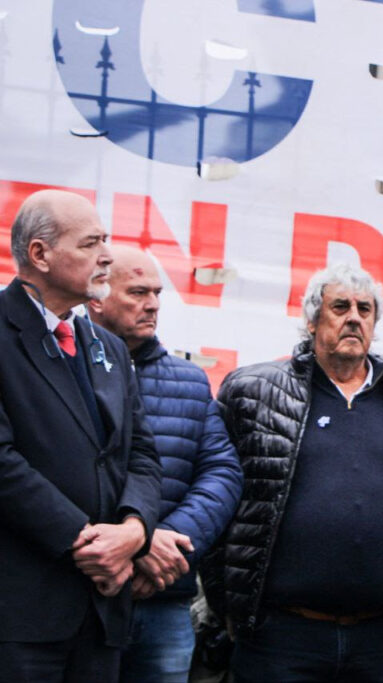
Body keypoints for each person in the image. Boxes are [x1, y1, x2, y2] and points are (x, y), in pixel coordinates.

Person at [210, 262, 383, 682]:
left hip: (375, 639)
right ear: (312, 320)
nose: (354, 317)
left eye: (365, 310)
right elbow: (219, 501)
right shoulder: (252, 391)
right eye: (340, 306)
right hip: (280, 637)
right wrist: (231, 609)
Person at [0, 190, 162, 682]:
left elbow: (143, 457)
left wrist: (134, 532)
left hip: (101, 613)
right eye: (91, 243)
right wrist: (88, 544)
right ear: (40, 255)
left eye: (106, 241)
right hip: (21, 614)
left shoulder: (109, 347)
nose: (107, 256)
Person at [87, 245, 242, 682]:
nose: (152, 304)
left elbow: (222, 473)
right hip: (81, 594)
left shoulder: (189, 381)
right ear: (96, 296)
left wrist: (170, 539)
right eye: (137, 292)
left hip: (163, 596)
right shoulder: (64, 366)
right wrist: (133, 545)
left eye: (156, 293)